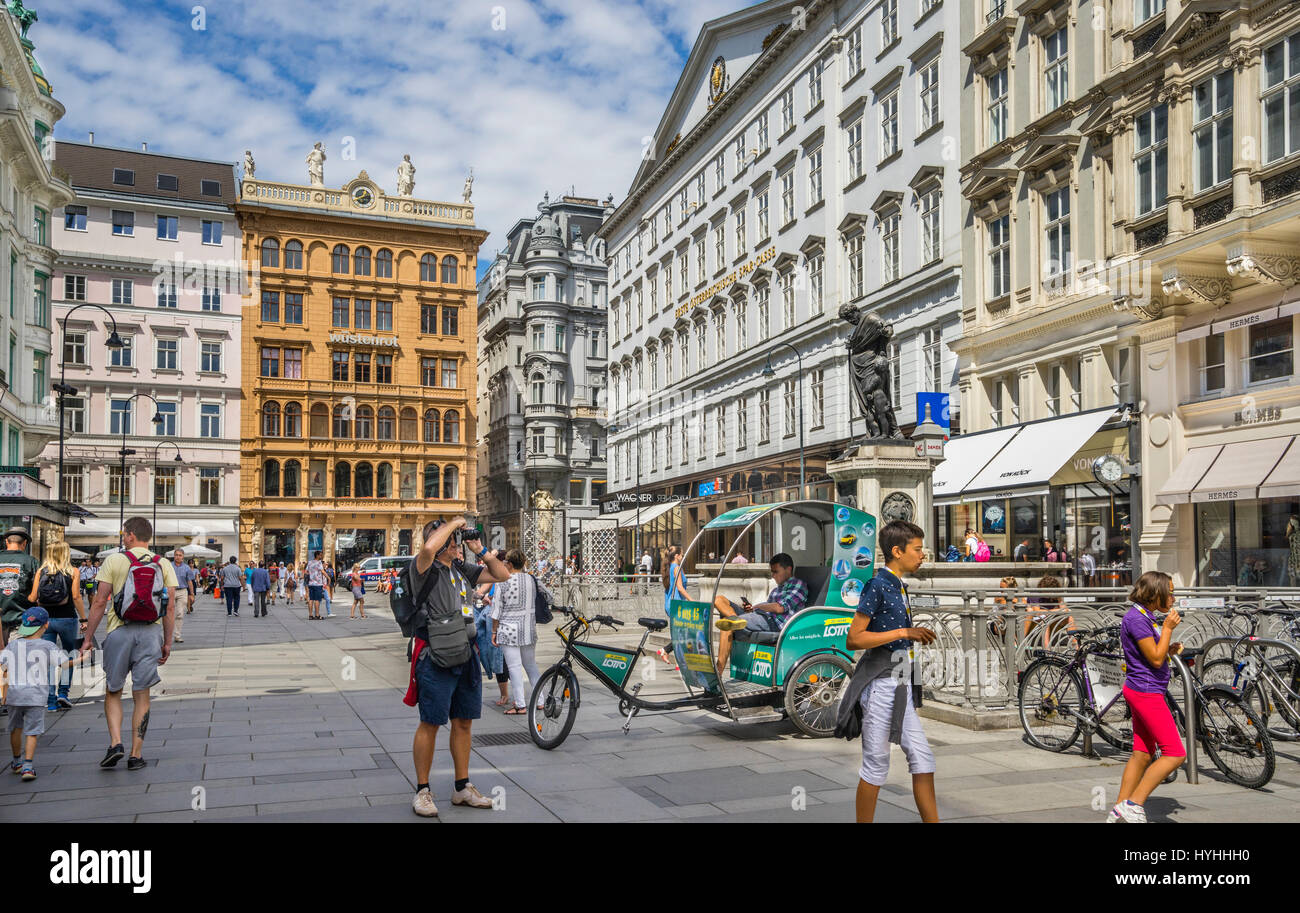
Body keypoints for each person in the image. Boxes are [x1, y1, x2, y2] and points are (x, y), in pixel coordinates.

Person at [404, 516, 510, 817]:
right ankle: (422, 791)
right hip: (435, 656)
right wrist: (453, 523)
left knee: (464, 721)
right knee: (431, 722)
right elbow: (428, 548)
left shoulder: (462, 569)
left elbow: (502, 574)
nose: (457, 544)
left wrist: (480, 548)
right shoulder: (423, 568)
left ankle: (462, 787)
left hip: (466, 654)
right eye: (452, 541)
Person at [842, 520, 939, 823]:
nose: (923, 555)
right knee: (876, 764)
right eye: (918, 549)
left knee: (923, 758)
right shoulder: (878, 585)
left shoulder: (897, 585)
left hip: (900, 683)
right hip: (881, 685)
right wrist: (905, 633)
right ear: (897, 551)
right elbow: (854, 637)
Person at [79, 516, 177, 771]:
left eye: (124, 534)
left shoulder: (114, 560)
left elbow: (100, 601)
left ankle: (115, 743)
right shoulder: (163, 563)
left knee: (113, 690)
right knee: (141, 694)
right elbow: (170, 607)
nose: (123, 537)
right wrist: (167, 642)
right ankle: (136, 754)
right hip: (150, 633)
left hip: (119, 632)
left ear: (131, 535)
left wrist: (88, 638)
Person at [1109, 571, 1185, 823]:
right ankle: (1134, 803)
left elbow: (1153, 655)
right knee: (1175, 753)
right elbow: (1153, 658)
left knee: (1142, 753)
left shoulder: (1143, 616)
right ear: (1156, 594)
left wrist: (1168, 648)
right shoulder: (1138, 619)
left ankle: (1119, 809)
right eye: (1170, 592)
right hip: (1146, 691)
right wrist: (1167, 630)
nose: (1173, 598)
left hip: (1143, 687)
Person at [712, 553, 807, 677]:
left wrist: (757, 606)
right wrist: (750, 609)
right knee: (718, 599)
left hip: (774, 623)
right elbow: (768, 608)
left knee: (727, 624)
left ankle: (717, 673)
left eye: (775, 571)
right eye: (772, 572)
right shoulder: (776, 590)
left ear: (788, 569)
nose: (773, 576)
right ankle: (735, 619)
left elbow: (779, 608)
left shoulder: (798, 584)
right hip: (763, 617)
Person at [1, 607, 62, 781]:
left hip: (14, 695)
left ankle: (16, 762)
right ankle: (28, 767)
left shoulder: (13, 645)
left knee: (15, 729)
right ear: (46, 625)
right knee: (32, 732)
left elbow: (3, 667)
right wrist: (83, 658)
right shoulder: (47, 645)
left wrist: (4, 691)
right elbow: (64, 664)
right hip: (35, 697)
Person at [29, 541, 85, 711]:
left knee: (48, 660)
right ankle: (63, 694)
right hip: (67, 619)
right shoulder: (73, 571)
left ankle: (51, 701)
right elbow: (76, 596)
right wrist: (84, 619)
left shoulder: (41, 571)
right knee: (69, 655)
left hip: (46, 621)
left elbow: (32, 597)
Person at [491, 550, 547, 715]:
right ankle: (541, 700)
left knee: (514, 667)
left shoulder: (503, 581)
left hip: (509, 630)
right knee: (531, 665)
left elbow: (496, 611)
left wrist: (494, 631)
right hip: (528, 629)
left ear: (508, 563)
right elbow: (548, 596)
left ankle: (520, 704)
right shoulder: (532, 579)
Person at [474, 554, 510, 707]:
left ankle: (518, 696)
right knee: (497, 657)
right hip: (494, 621)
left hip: (508, 622)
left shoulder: (513, 579)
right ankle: (504, 694)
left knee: (511, 660)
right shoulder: (493, 579)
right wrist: (483, 598)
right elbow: (479, 594)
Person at [0, 527, 37, 648]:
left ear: (6, 541)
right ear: (25, 543)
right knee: (18, 660)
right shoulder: (31, 561)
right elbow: (37, 593)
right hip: (21, 620)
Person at [170, 551, 196, 643]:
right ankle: (168, 635)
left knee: (180, 613)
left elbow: (190, 582)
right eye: (176, 555)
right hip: (171, 591)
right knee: (169, 614)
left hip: (182, 591)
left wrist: (191, 594)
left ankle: (177, 635)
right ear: (174, 556)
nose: (177, 557)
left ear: (183, 557)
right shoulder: (169, 566)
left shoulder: (186, 568)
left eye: (180, 555)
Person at [305, 551, 326, 620]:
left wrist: (311, 575)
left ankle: (310, 615)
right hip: (318, 584)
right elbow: (322, 571)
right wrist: (328, 577)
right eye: (320, 555)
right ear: (317, 555)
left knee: (311, 599)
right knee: (317, 600)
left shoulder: (310, 562)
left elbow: (306, 572)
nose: (321, 556)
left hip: (311, 583)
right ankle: (317, 615)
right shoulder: (319, 563)